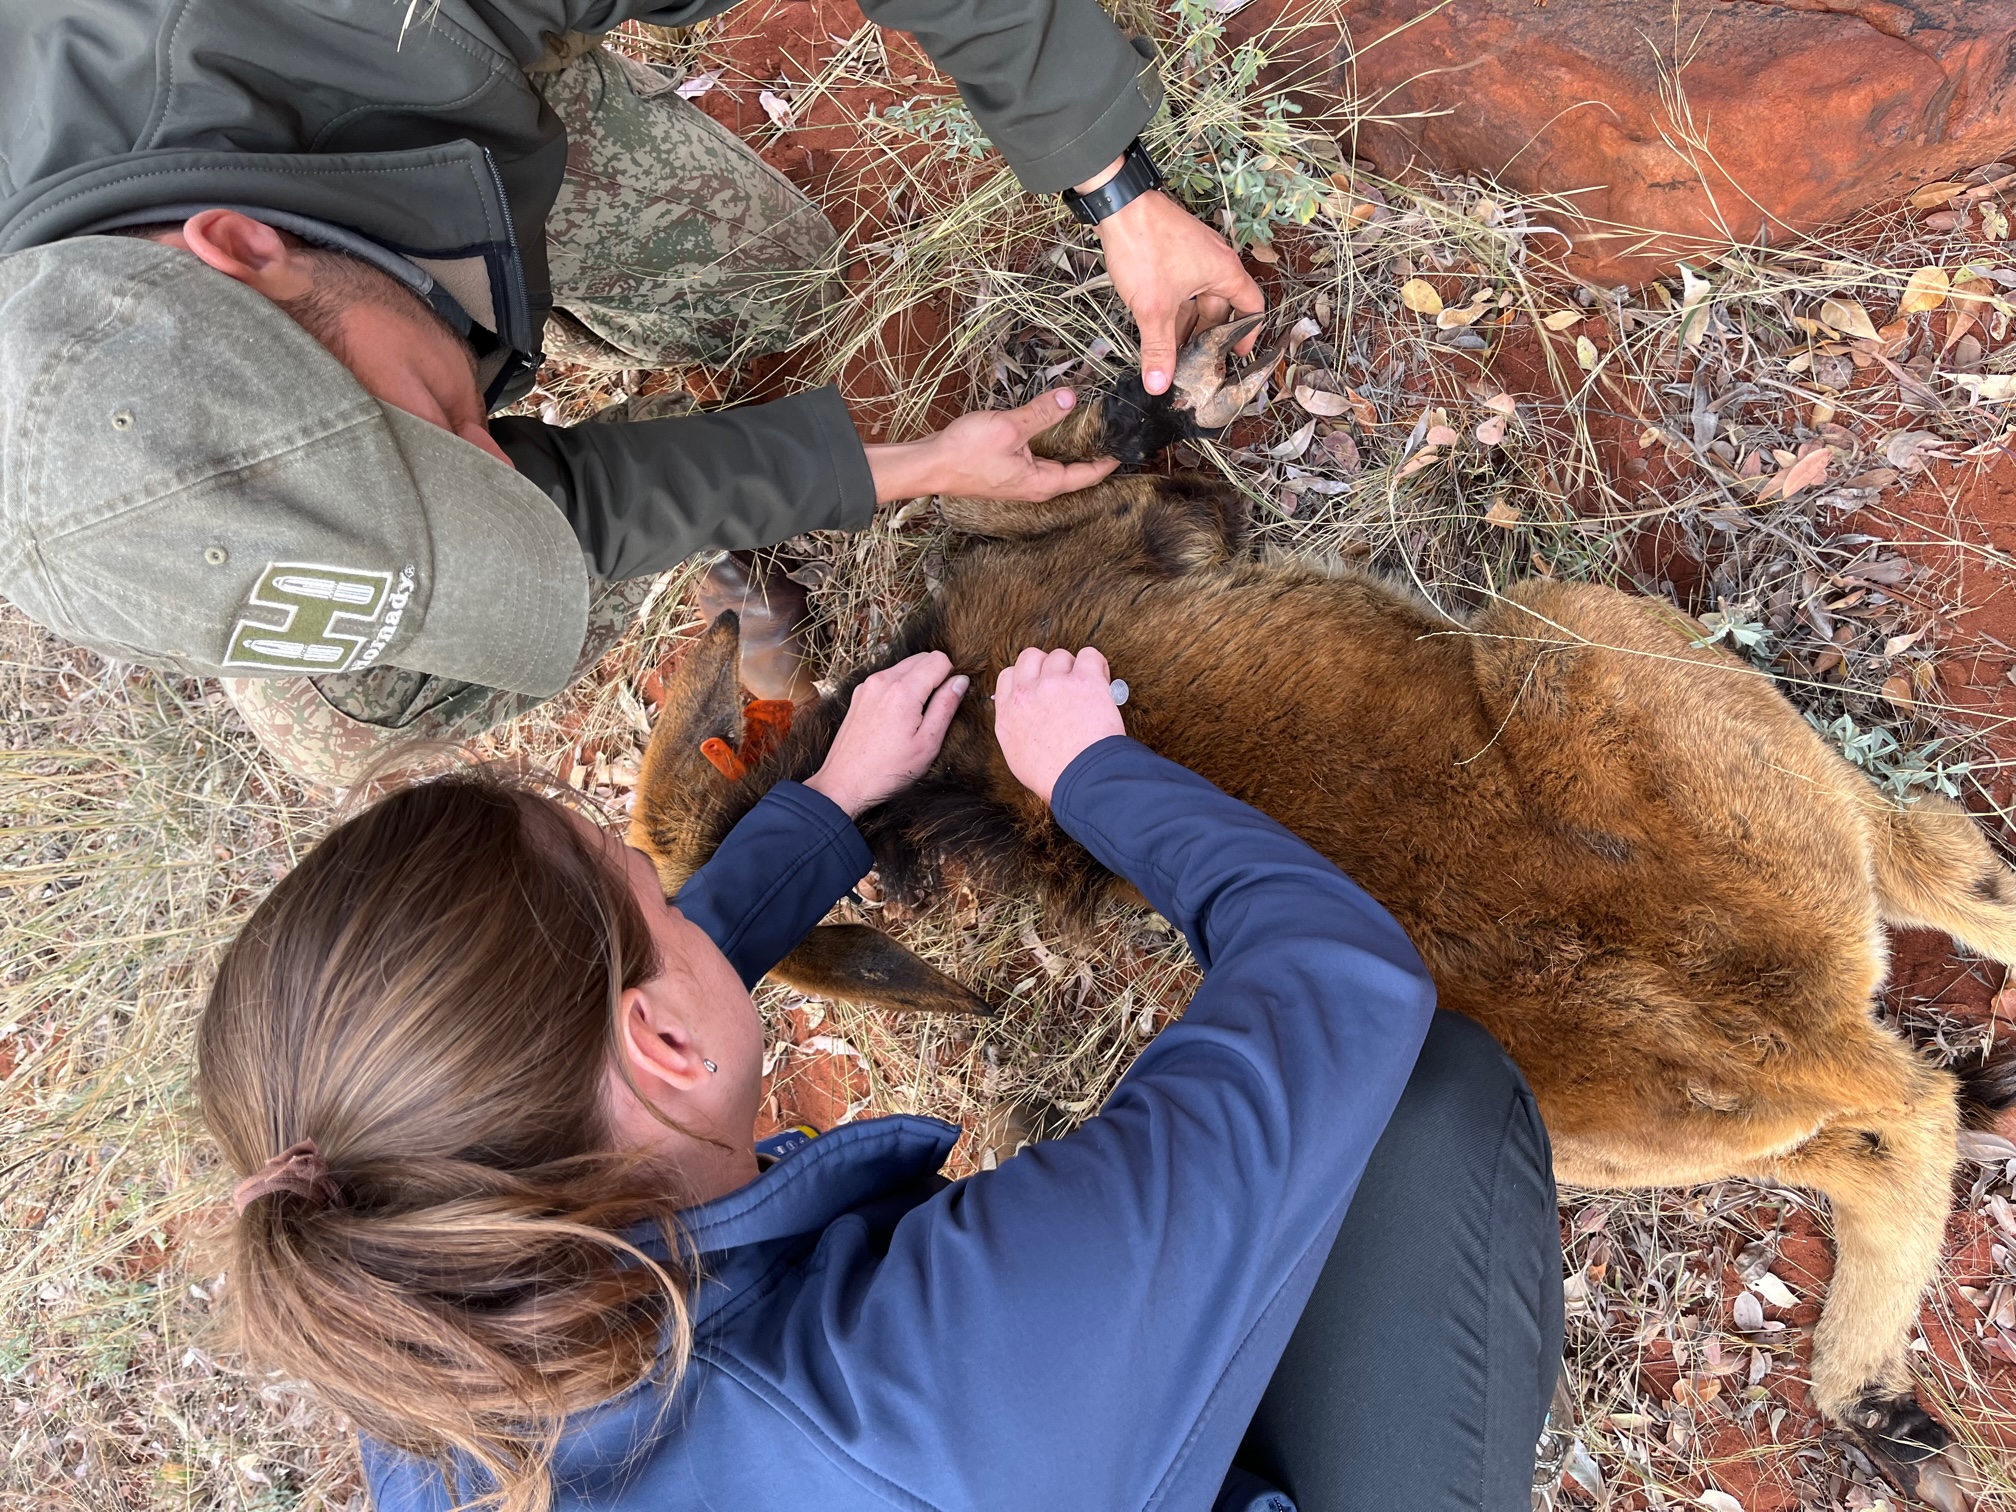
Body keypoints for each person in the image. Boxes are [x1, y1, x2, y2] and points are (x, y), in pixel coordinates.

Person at [199, 644, 1565, 1512]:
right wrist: (1092, 769)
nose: (688, 913)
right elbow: (1343, 984)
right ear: (659, 1046)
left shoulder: (422, 1306)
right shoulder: (916, 1396)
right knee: (1419, 1098)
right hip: (982, 1445)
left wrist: (825, 807)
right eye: (655, 901)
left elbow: (589, 1040)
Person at [0, 0, 1265, 788]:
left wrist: (1115, 186)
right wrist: (906, 466)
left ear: (241, 250)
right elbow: (535, 507)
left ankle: (489, 278)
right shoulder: (83, 485)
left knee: (774, 284)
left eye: (445, 430)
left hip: (403, 108)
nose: (496, 464)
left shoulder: (363, 19)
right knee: (359, 719)